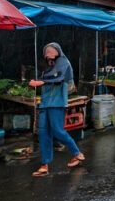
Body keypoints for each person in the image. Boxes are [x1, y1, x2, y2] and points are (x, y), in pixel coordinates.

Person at [30, 42, 84, 177]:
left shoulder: (63, 63)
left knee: (58, 131)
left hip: (57, 103)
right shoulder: (48, 67)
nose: (48, 53)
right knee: (43, 134)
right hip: (45, 104)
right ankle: (44, 164)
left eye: (51, 51)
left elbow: (58, 77)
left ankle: (77, 153)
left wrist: (40, 82)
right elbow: (46, 78)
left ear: (58, 51)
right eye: (46, 51)